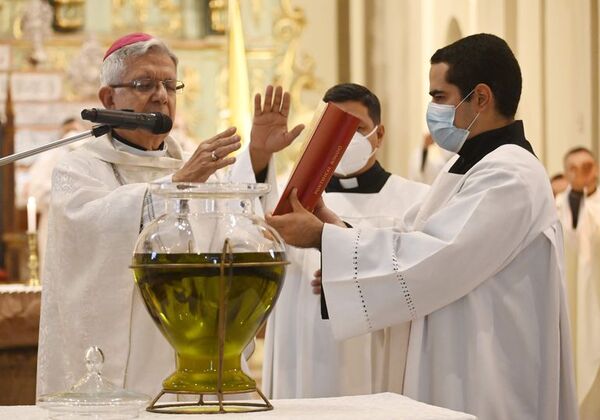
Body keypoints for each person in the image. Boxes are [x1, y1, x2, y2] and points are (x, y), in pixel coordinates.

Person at [266, 33, 577, 420]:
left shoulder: (511, 174)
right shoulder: (467, 166)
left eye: (439, 97)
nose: (432, 109)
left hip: (485, 370)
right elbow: (410, 237)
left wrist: (321, 238)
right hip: (457, 359)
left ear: (480, 98)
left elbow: (436, 257)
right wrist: (334, 227)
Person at [36, 32, 303, 397]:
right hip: (118, 365)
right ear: (107, 98)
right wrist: (175, 185)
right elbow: (90, 235)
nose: (161, 96)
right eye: (144, 84)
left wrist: (256, 157)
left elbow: (238, 227)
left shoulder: (194, 166)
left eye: (169, 85)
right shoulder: (79, 169)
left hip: (194, 356)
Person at [262, 83, 429, 398]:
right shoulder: (286, 199)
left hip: (378, 356)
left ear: (378, 135)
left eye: (357, 128)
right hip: (305, 359)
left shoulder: (415, 201)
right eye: (337, 127)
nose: (345, 139)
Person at [555, 147, 600, 420]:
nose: (582, 172)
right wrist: (575, 192)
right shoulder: (558, 204)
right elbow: (570, 236)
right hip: (570, 303)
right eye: (574, 167)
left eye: (588, 166)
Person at [26, 118, 84, 271]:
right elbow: (35, 193)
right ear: (61, 134)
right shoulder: (49, 157)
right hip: (55, 221)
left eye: (76, 131)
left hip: (85, 224)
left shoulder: (91, 155)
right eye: (68, 131)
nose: (71, 135)